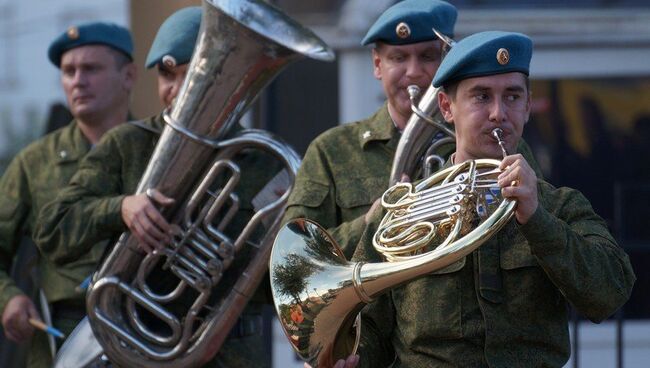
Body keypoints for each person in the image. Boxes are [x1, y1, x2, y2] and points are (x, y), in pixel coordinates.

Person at [349, 30, 636, 367]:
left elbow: (609, 295)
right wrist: (349, 358)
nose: (499, 113)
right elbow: (365, 326)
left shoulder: (561, 206)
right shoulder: (401, 214)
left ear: (528, 106)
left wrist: (538, 219)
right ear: (446, 106)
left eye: (512, 97)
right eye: (481, 97)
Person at [35, 7, 280, 367]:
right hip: (135, 348)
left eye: (194, 76)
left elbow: (285, 287)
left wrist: (276, 243)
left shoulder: (265, 159)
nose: (179, 91)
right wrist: (119, 209)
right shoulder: (127, 144)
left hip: (232, 352)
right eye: (167, 75)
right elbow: (52, 230)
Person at [282, 0, 541, 260]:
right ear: (376, 64)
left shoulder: (491, 146)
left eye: (428, 56)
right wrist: (371, 222)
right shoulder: (332, 150)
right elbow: (295, 256)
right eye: (399, 58)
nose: (414, 72)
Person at [0, 22, 135, 367]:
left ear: (129, 76)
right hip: (65, 335)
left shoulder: (160, 153)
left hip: (150, 329)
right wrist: (9, 298)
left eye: (91, 69)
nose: (77, 80)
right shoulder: (34, 162)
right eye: (68, 71)